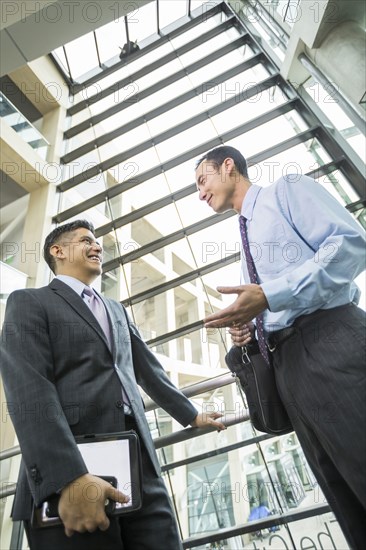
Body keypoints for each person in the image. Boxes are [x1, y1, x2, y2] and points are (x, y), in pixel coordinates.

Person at [0, 220, 226, 550]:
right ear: (58, 251)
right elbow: (29, 388)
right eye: (86, 241)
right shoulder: (29, 302)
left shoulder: (115, 309)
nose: (97, 247)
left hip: (139, 465)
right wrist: (68, 477)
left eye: (98, 243)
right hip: (72, 464)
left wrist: (191, 415)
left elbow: (149, 371)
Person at [195, 145, 366, 549]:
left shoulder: (286, 191)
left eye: (202, 180)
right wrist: (249, 325)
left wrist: (270, 296)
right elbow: (270, 300)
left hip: (330, 344)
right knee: (345, 497)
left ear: (229, 166)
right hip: (291, 370)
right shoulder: (245, 239)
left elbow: (349, 246)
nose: (200, 194)